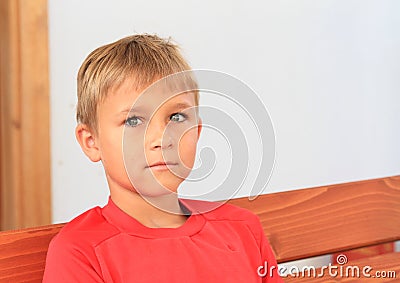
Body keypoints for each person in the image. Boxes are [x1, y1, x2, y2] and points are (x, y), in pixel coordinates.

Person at [43, 34, 283, 282]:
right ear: (91, 142)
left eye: (176, 117)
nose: (162, 138)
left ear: (197, 131)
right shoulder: (80, 252)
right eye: (133, 120)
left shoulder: (242, 228)